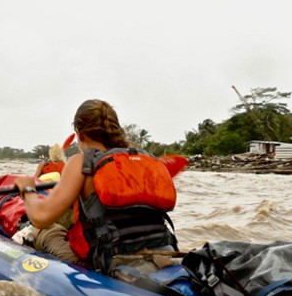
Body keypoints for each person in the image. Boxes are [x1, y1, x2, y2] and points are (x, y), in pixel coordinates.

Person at [13, 99, 178, 276]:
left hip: (112, 264)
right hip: (165, 254)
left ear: (79, 133)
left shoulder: (81, 162)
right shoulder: (146, 160)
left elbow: (41, 217)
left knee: (43, 230)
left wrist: (27, 189)